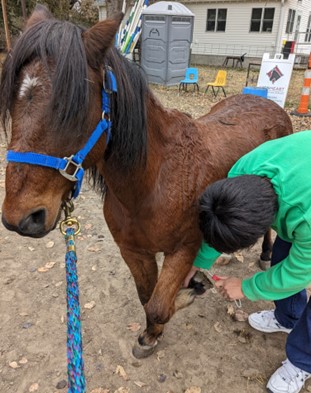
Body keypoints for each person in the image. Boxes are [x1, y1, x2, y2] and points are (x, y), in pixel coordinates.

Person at [187, 130, 311, 393]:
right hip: (301, 182)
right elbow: (221, 219)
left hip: (305, 207)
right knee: (281, 252)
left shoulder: (307, 221)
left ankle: (303, 361)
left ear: (258, 231)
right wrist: (197, 263)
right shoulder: (243, 170)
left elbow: (297, 274)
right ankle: (287, 316)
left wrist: (246, 286)